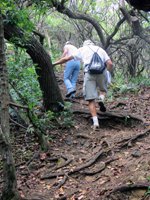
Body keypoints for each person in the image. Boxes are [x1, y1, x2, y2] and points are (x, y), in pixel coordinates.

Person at [53, 40, 113, 130]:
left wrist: (54, 63)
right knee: (103, 90)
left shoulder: (82, 49)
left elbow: (66, 59)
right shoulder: (100, 49)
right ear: (93, 44)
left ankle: (96, 123)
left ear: (84, 45)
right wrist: (107, 72)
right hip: (102, 72)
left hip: (89, 73)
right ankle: (101, 99)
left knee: (90, 100)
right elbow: (110, 63)